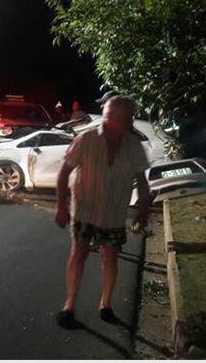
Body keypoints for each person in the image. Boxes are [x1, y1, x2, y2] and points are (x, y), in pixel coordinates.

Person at [54, 95, 151, 329]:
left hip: (114, 213)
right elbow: (64, 173)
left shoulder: (133, 145)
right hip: (85, 211)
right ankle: (69, 305)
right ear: (115, 118)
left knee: (110, 257)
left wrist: (143, 210)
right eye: (129, 117)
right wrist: (61, 206)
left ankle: (105, 304)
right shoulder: (86, 139)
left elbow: (142, 181)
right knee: (79, 254)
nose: (132, 121)